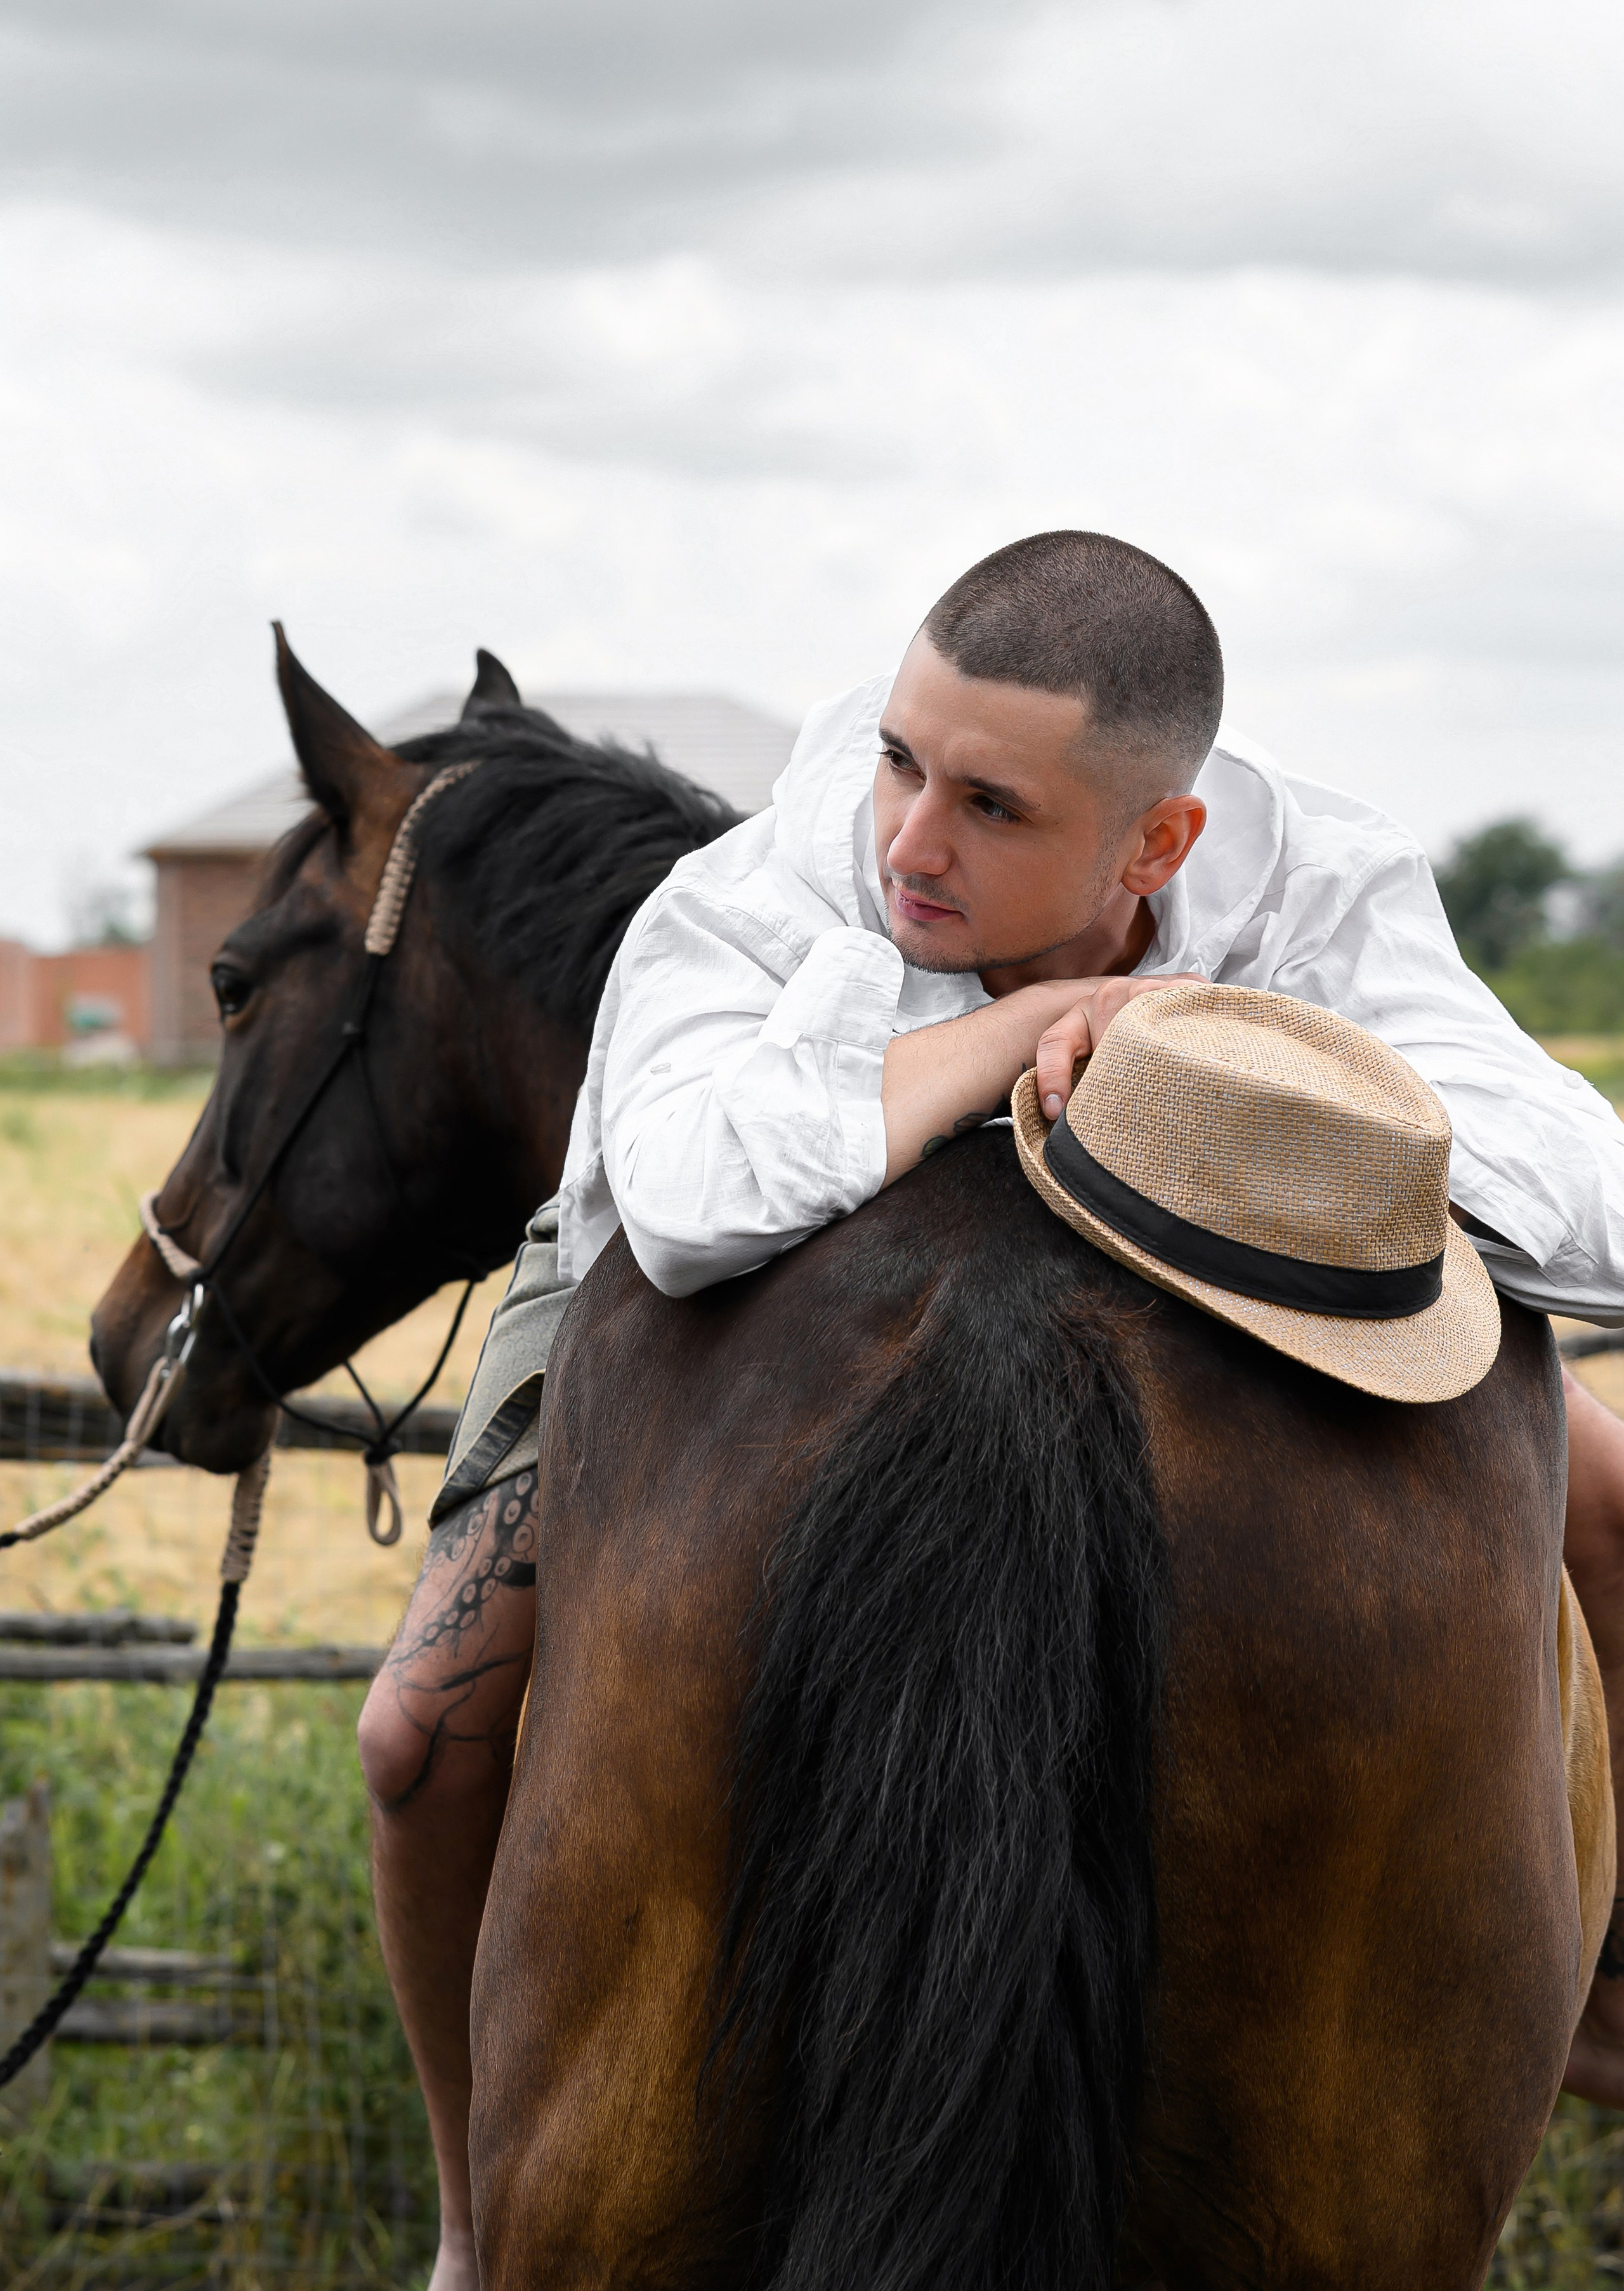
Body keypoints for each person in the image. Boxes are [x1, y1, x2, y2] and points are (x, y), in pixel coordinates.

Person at [358, 530, 1624, 2290]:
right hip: (665, 1247)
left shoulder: (1322, 888)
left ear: (1159, 841)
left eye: (992, 807)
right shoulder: (764, 887)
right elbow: (689, 1186)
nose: (910, 840)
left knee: (1616, 1505)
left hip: (1177, 1232)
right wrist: (1003, 1039)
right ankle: (471, 2225)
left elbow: (1595, 1208)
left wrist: (1210, 1054)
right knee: (415, 1734)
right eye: (899, 756)